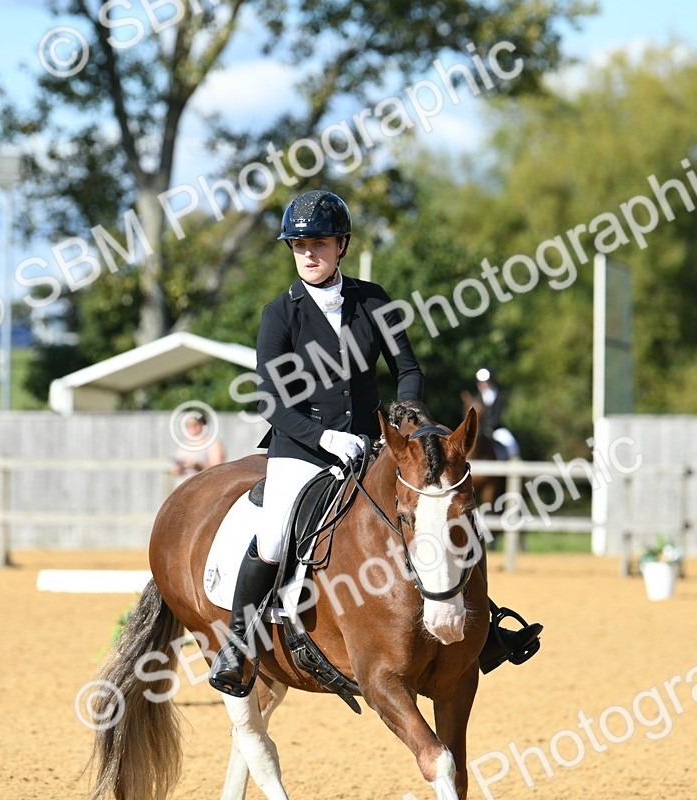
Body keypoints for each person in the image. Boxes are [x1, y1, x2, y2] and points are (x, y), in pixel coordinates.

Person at [208, 189, 542, 697]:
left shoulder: (373, 300)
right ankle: (238, 644)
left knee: (433, 512)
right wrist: (322, 437)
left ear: (341, 244)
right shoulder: (280, 314)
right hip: (301, 446)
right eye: (298, 246)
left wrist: (404, 414)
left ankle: (482, 629)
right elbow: (272, 403)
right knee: (274, 535)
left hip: (373, 442)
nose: (308, 254)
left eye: (318, 243)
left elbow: (407, 369)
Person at [475, 367, 521, 460]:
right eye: (481, 382)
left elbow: (498, 415)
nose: (484, 385)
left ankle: (515, 465)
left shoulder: (501, 396)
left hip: (496, 430)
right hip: (480, 431)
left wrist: (489, 427)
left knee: (511, 443)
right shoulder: (477, 399)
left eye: (486, 382)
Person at [170, 411, 226, 483]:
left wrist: (196, 465)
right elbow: (175, 470)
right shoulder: (184, 444)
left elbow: (218, 468)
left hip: (204, 486)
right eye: (188, 425)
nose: (191, 427)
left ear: (202, 424)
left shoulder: (212, 443)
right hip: (183, 486)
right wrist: (179, 468)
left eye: (194, 424)